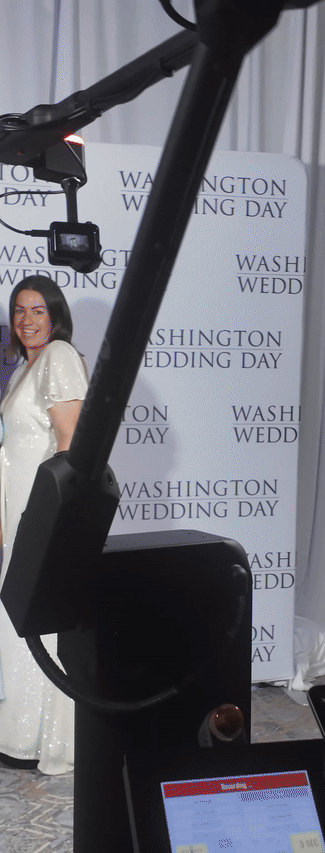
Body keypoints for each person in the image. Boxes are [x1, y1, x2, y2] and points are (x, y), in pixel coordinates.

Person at [0, 275, 88, 774]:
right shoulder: (19, 372)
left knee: (42, 628)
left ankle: (49, 741)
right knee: (18, 626)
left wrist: (52, 518)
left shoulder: (59, 357)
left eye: (37, 310)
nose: (26, 320)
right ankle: (21, 738)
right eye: (18, 310)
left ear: (55, 315)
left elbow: (70, 441)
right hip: (17, 519)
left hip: (43, 516)